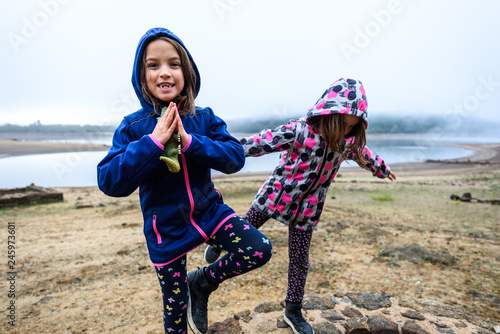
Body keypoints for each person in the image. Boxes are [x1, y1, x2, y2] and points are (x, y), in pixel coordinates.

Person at [97, 27, 273, 334]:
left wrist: (190, 142)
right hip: (165, 230)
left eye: (174, 64)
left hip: (209, 213)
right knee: (175, 318)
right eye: (153, 65)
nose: (164, 72)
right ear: (142, 76)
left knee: (258, 249)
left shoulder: (203, 117)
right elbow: (109, 181)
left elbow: (235, 156)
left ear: (187, 72)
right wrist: (152, 143)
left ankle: (201, 282)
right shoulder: (133, 127)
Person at [204, 78, 396, 334]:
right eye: (344, 126)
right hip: (274, 197)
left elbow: (364, 154)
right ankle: (218, 243)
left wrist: (382, 169)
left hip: (308, 209)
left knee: (299, 260)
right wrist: (222, 151)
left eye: (351, 129)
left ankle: (293, 309)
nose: (346, 134)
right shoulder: (299, 131)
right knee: (243, 228)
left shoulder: (345, 143)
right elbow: (261, 142)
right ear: (329, 115)